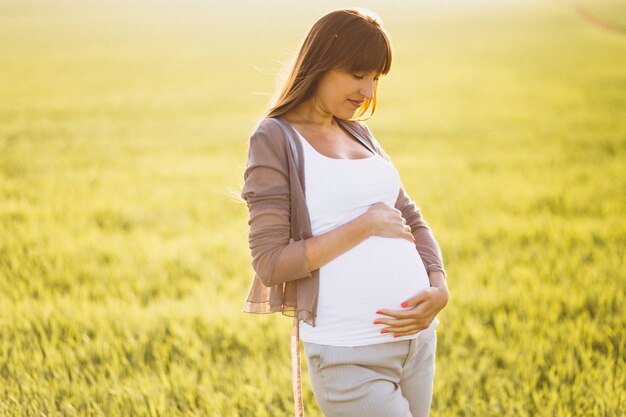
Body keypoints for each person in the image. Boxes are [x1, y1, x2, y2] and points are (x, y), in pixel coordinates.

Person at [240, 7, 449, 417]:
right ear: (319, 65)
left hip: (418, 343)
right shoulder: (274, 139)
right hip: (349, 354)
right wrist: (364, 225)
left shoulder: (357, 130)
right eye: (358, 75)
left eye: (376, 78)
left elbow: (411, 216)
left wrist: (439, 287)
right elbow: (270, 263)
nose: (368, 91)